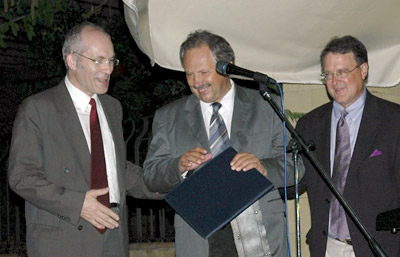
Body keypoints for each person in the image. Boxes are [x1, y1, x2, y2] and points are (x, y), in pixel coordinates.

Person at [143, 29, 304, 257]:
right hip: (200, 242)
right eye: (189, 74)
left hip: (262, 239)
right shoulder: (168, 117)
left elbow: (296, 167)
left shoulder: (267, 106)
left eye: (204, 72)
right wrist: (178, 166)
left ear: (227, 66)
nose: (196, 82)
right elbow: (151, 176)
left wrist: (264, 167)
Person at [8, 22, 161, 257]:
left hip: (114, 236)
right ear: (72, 61)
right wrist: (78, 204)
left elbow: (116, 171)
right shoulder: (39, 108)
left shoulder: (112, 107)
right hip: (63, 239)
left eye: (111, 61)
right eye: (98, 60)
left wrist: (170, 180)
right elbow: (21, 177)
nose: (108, 69)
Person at [296, 35, 400, 257]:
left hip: (379, 249)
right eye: (329, 74)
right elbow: (293, 182)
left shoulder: (394, 121)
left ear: (363, 70)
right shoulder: (310, 124)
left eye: (342, 72)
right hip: (327, 247)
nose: (335, 81)